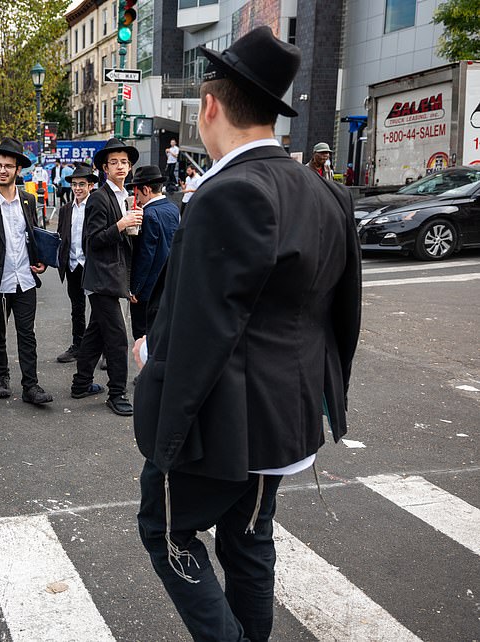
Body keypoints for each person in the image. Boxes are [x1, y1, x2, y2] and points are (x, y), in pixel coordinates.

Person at [132, 26, 361, 641]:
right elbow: (340, 315)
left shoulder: (227, 192)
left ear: (210, 106)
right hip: (287, 414)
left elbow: (204, 326)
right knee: (249, 538)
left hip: (223, 420)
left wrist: (158, 398)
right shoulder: (326, 192)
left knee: (167, 531)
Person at [0, 137, 53, 405]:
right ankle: (1, 377)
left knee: (27, 334)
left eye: (8, 166)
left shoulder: (28, 201)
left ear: (18, 170)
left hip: (25, 279)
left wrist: (41, 261)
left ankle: (31, 386)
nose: (2, 170)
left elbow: (35, 237)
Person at [69, 138, 142, 416]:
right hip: (102, 279)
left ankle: (81, 383)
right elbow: (93, 240)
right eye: (114, 162)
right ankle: (117, 393)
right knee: (117, 339)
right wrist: (121, 224)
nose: (120, 166)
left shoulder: (124, 197)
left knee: (95, 335)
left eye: (124, 162)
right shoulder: (99, 197)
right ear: (104, 167)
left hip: (114, 278)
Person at [126, 165, 179, 340]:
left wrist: (135, 288)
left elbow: (145, 256)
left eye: (138, 193)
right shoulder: (172, 209)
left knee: (142, 337)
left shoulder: (148, 214)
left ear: (147, 189)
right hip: (168, 283)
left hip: (148, 289)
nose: (137, 197)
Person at [54, 163, 96, 363]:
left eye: (82, 184)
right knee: (77, 308)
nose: (78, 188)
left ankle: (103, 350)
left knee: (99, 310)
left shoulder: (96, 207)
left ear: (90, 186)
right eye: (75, 184)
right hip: (72, 266)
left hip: (92, 266)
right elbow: (61, 237)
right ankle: (77, 345)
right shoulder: (65, 209)